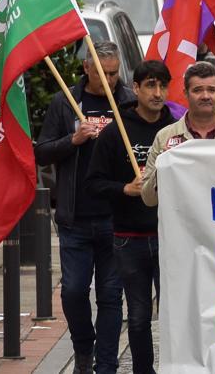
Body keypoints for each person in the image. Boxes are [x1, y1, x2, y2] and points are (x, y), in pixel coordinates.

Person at [35, 41, 132, 374]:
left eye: (115, 73)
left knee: (109, 295)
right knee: (74, 291)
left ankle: (105, 365)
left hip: (115, 217)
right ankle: (83, 346)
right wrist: (71, 142)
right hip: (75, 217)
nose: (110, 80)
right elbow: (42, 151)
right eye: (103, 73)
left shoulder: (127, 101)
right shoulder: (65, 102)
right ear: (87, 70)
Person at [86, 60, 175, 374]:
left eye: (163, 85)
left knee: (172, 314)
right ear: (135, 88)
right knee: (138, 317)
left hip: (169, 239)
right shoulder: (116, 132)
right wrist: (124, 188)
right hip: (129, 239)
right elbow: (93, 183)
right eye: (150, 85)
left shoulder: (175, 130)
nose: (157, 92)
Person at [141, 62, 215, 208]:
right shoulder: (165, 137)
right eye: (197, 90)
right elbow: (148, 199)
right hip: (183, 228)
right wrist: (163, 167)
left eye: (211, 90)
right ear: (185, 93)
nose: (205, 96)